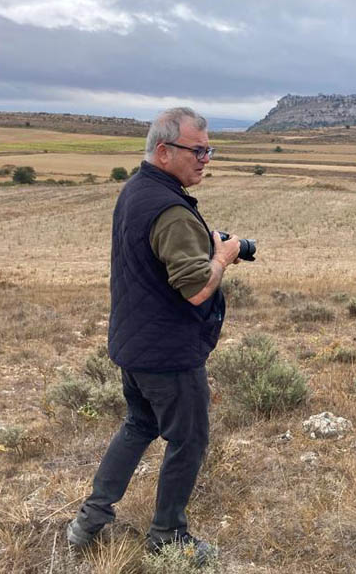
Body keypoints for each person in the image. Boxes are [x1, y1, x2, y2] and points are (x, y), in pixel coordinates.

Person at [66, 107, 242, 564]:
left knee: (139, 424)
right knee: (189, 439)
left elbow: (157, 257)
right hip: (168, 352)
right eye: (198, 150)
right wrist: (223, 256)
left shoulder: (137, 190)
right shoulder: (170, 208)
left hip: (134, 343)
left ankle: (90, 520)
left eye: (209, 149)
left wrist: (206, 244)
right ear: (164, 151)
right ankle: (168, 535)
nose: (206, 158)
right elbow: (198, 290)